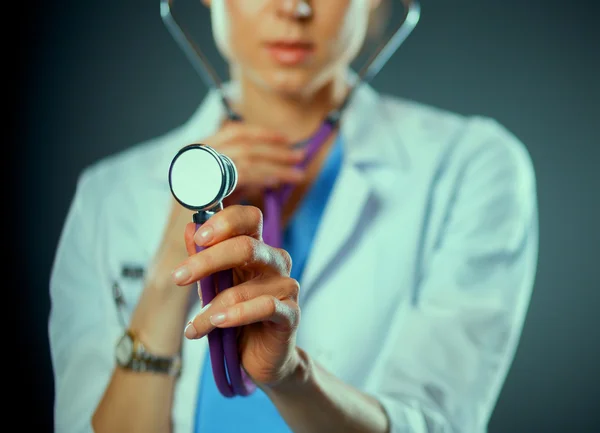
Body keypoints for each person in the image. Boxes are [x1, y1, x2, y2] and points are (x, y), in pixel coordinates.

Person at [48, 0, 539, 432]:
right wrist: (163, 282)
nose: (293, 7)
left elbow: (434, 423)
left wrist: (291, 377)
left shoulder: (470, 166)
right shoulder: (109, 195)